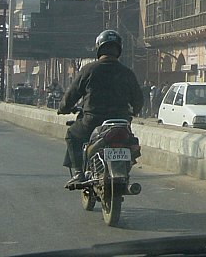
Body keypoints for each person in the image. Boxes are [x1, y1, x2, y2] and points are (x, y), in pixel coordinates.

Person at [58, 29, 144, 186]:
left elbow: (72, 94)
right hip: (121, 122)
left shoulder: (89, 70)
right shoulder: (127, 72)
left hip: (92, 121)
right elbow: (138, 99)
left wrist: (63, 108)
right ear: (118, 49)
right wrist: (134, 112)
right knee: (130, 141)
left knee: (72, 134)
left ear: (99, 48)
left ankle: (78, 173)